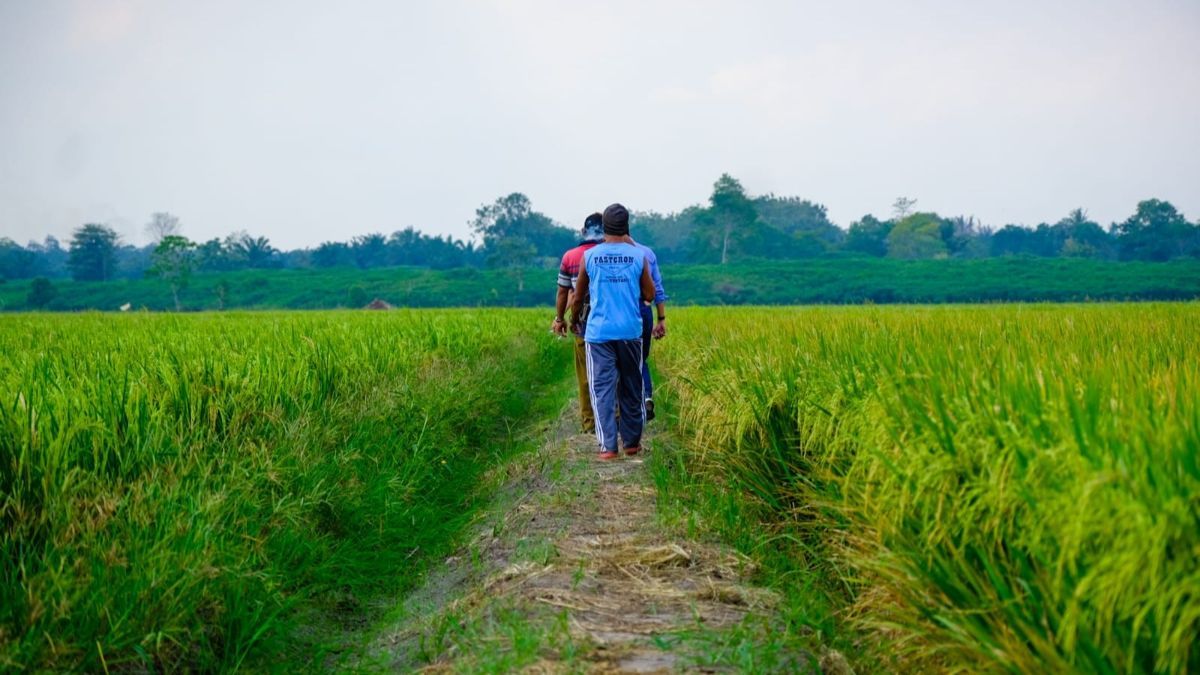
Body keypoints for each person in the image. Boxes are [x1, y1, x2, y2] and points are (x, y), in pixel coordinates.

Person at [570, 203, 656, 460]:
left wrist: (574, 319)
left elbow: (578, 296)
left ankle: (608, 447)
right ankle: (631, 443)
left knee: (602, 389)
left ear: (604, 227)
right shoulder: (638, 256)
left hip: (598, 334)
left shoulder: (591, 257)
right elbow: (650, 294)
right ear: (627, 226)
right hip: (630, 331)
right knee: (632, 385)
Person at [552, 213, 604, 433]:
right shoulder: (609, 254)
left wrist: (559, 319)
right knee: (613, 374)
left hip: (582, 323)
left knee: (585, 376)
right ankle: (616, 419)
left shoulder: (570, 257)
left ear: (584, 231)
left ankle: (589, 423)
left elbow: (564, 292)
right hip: (610, 323)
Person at [621, 233, 667, 420]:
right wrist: (661, 319)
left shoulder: (605, 254)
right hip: (645, 309)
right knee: (641, 359)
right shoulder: (647, 252)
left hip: (622, 310)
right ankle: (646, 397)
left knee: (619, 359)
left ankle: (628, 406)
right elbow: (657, 288)